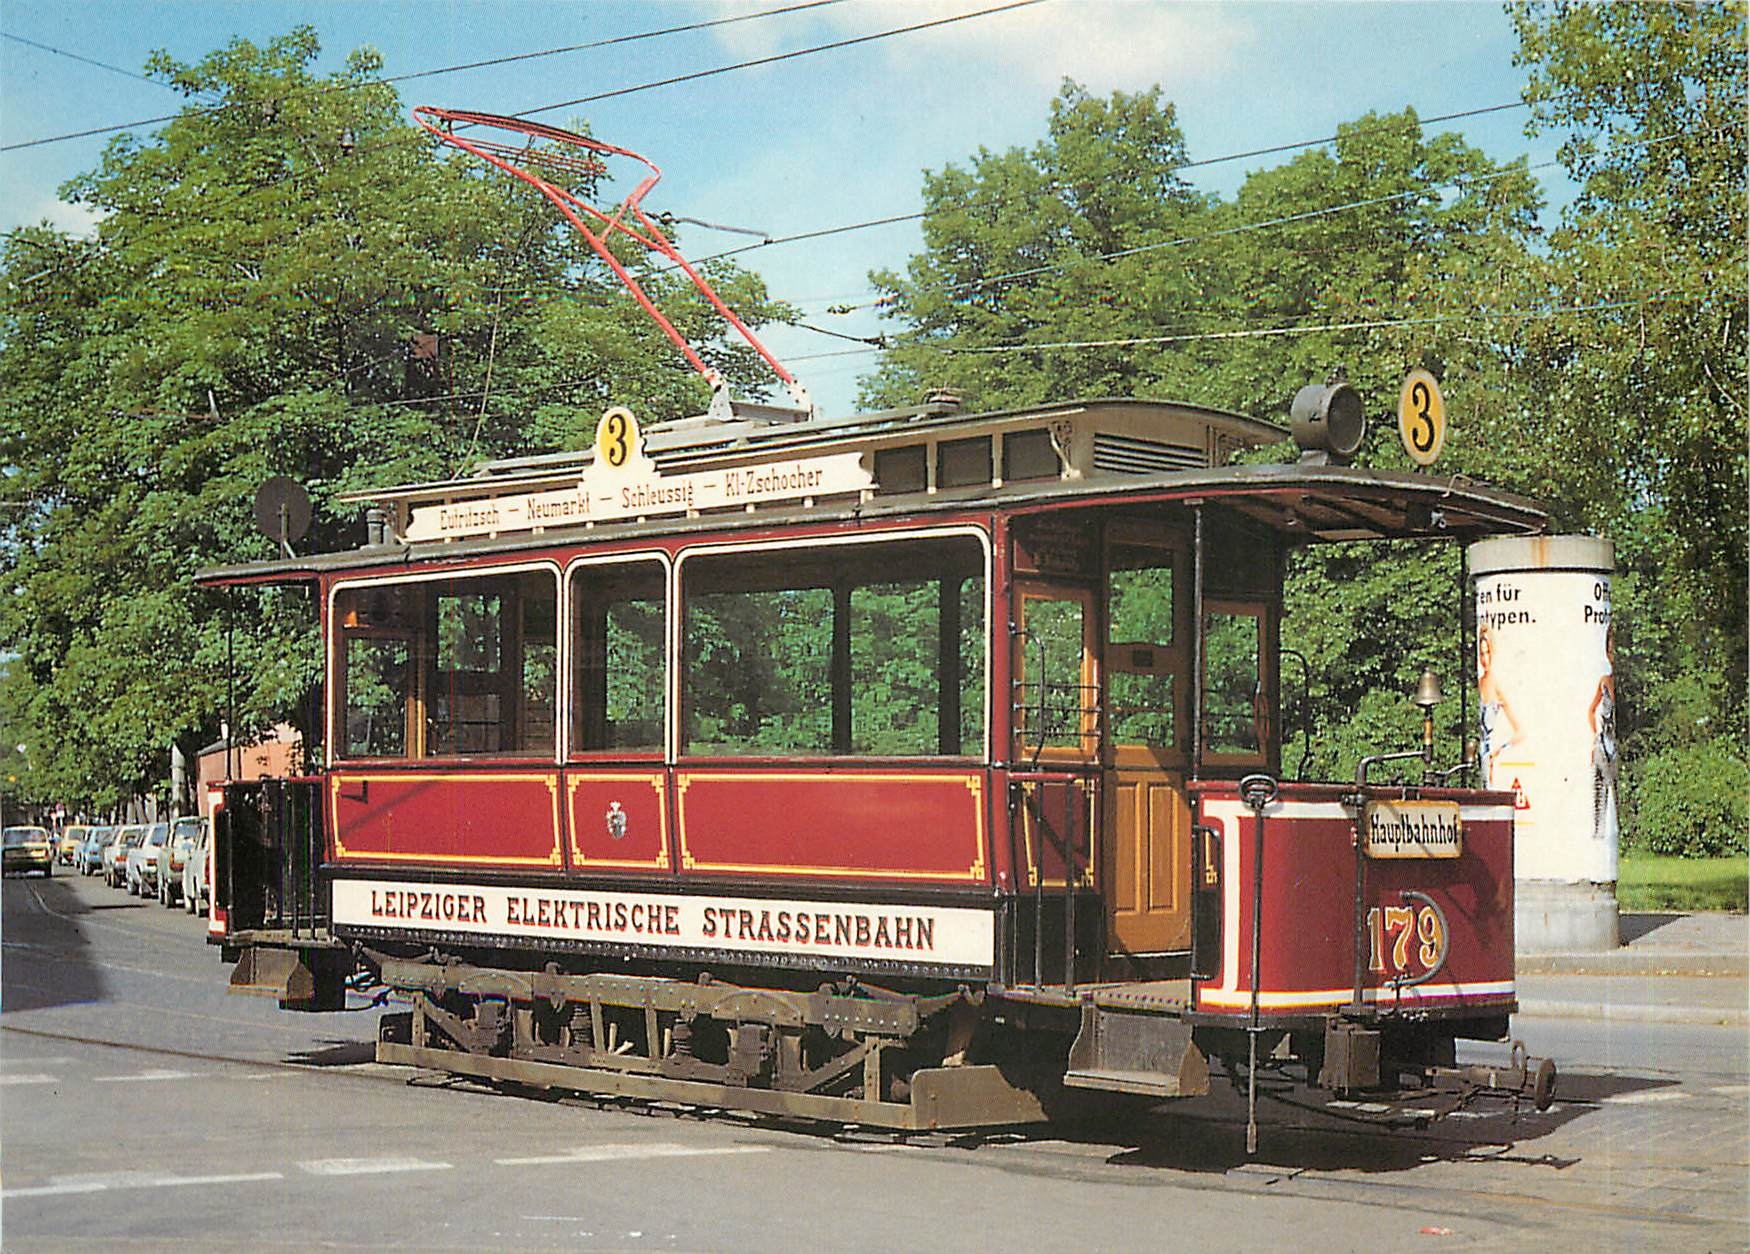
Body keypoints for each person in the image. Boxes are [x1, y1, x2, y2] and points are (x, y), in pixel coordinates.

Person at [1476, 625, 1519, 786]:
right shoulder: (1479, 684)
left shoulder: (1497, 684)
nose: (1484, 659)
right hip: (1480, 761)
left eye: (1487, 653)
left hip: (1495, 762)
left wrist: (1500, 749)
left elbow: (1520, 731)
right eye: (1481, 653)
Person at [1588, 626, 1618, 840]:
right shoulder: (1604, 681)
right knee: (1602, 788)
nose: (1612, 653)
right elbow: (1590, 710)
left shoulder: (1614, 681)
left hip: (1611, 745)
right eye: (1609, 648)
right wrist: (1594, 737)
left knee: (1610, 788)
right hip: (1602, 745)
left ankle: (1607, 834)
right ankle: (1599, 834)